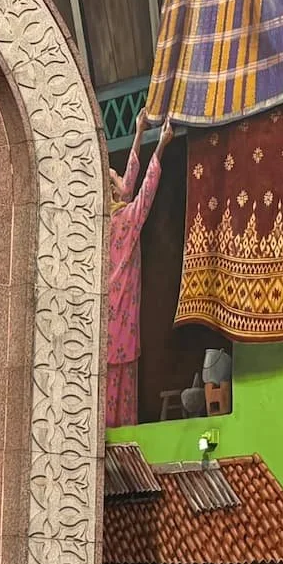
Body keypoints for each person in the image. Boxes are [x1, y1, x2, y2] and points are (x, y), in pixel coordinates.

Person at [104, 114, 171, 426]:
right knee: (118, 392)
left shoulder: (107, 221)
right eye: (116, 177)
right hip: (120, 319)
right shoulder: (126, 221)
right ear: (113, 192)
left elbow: (129, 184)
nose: (123, 178)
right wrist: (161, 146)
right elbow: (144, 190)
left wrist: (139, 132)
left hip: (110, 321)